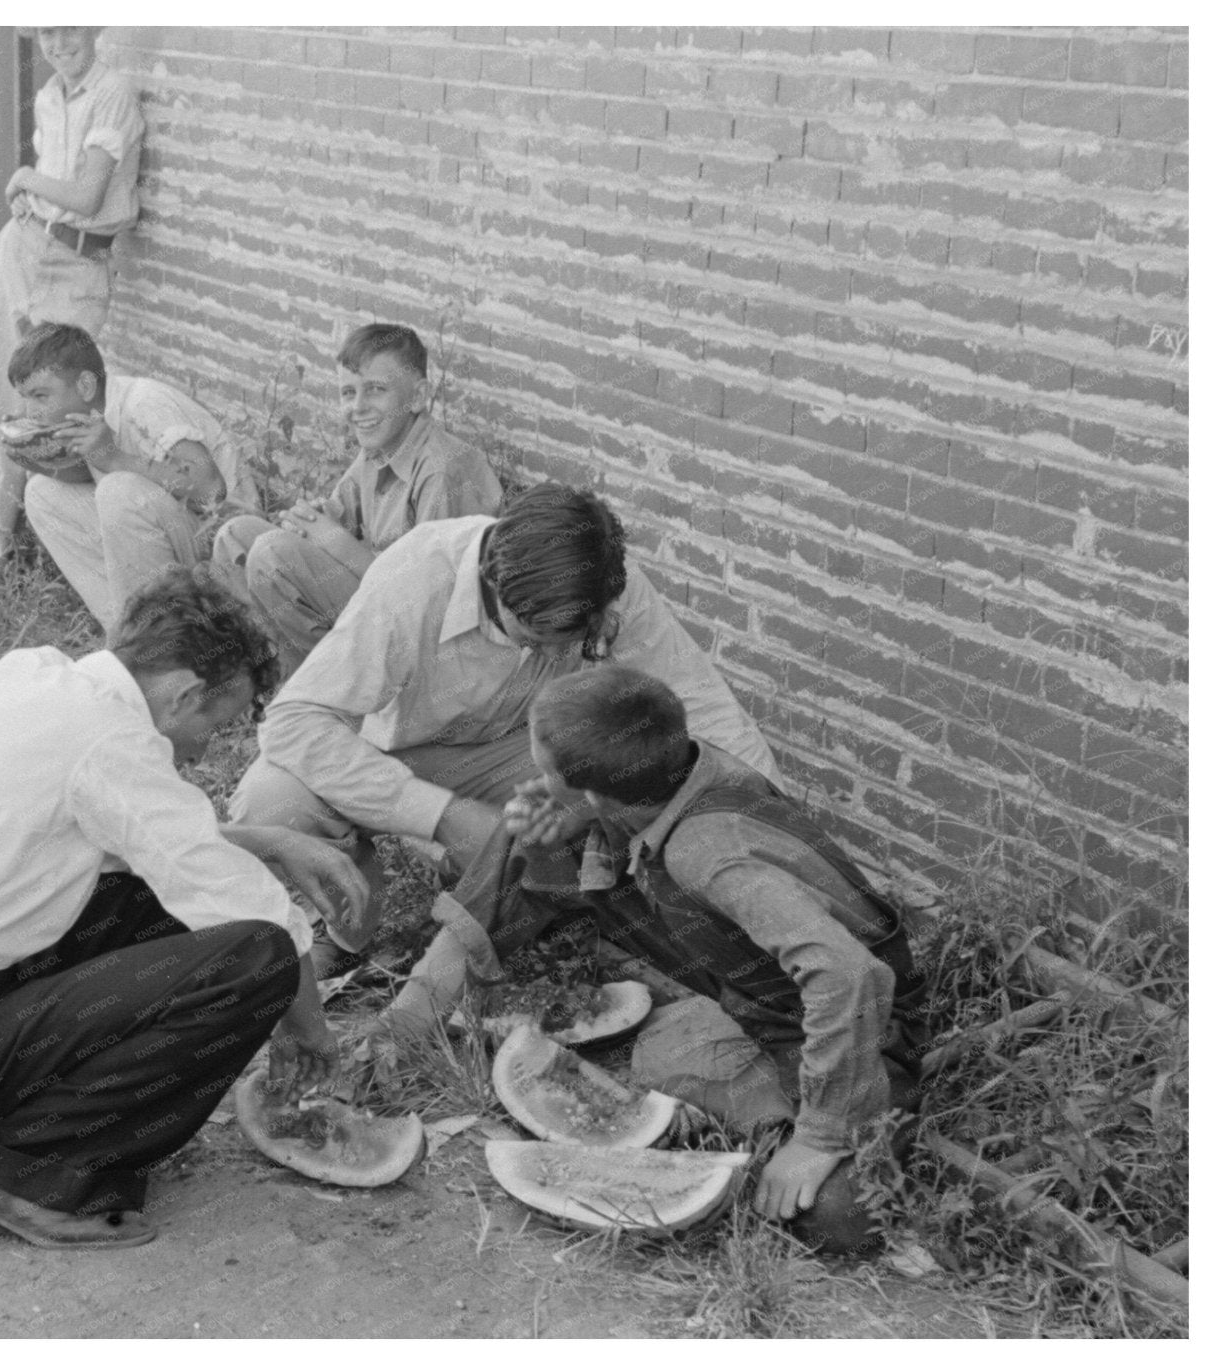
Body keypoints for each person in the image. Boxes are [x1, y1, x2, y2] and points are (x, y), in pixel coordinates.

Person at [0, 567, 366, 1250]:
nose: (203, 749)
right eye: (215, 726)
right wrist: (309, 1037)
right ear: (186, 692)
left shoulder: (35, 675)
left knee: (156, 899)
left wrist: (272, 840)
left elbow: (143, 841)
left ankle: (32, 1134)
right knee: (259, 958)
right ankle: (21, 1170)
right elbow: (265, 924)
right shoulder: (112, 741)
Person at [399, 666, 927, 1254]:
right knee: (525, 838)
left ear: (600, 790)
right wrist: (572, 817)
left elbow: (848, 972)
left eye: (545, 770)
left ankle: (814, 1112)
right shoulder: (682, 768)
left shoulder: (710, 855)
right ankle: (406, 1023)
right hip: (752, 987)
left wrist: (822, 1137)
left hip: (861, 1026)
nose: (535, 781)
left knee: (836, 1220)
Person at [231, 480, 779, 970]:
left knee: (651, 766)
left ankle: (545, 904)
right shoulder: (417, 576)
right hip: (395, 751)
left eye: (567, 640)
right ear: (494, 582)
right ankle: (343, 927)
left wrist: (772, 822)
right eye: (534, 635)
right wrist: (445, 817)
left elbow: (700, 707)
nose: (552, 650)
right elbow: (295, 722)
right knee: (271, 802)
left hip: (522, 751)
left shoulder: (605, 581)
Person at [213, 323, 502, 673]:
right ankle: (281, 670)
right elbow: (337, 516)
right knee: (237, 535)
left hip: (428, 638)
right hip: (381, 597)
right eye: (348, 393)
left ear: (417, 396)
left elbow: (428, 599)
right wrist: (309, 521)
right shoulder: (380, 444)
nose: (358, 407)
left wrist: (328, 537)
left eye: (376, 390)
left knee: (273, 554)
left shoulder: (442, 471)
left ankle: (331, 689)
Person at [0, 25, 145, 584]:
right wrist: (29, 197)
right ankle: (2, 556)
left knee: (70, 405)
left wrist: (26, 177)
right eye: (46, 32)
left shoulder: (113, 92)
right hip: (28, 250)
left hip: (78, 265)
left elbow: (88, 197)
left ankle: (97, 551)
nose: (58, 43)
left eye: (68, 28)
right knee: (10, 401)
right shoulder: (49, 96)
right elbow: (52, 191)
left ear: (93, 26)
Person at [0, 322, 258, 632]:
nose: (32, 411)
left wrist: (113, 457)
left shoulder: (145, 404)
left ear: (85, 386)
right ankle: (128, 632)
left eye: (41, 396)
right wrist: (39, 463)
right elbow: (98, 476)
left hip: (223, 550)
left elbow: (210, 490)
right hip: (172, 533)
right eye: (25, 398)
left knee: (118, 491)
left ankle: (170, 637)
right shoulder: (92, 413)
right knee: (42, 493)